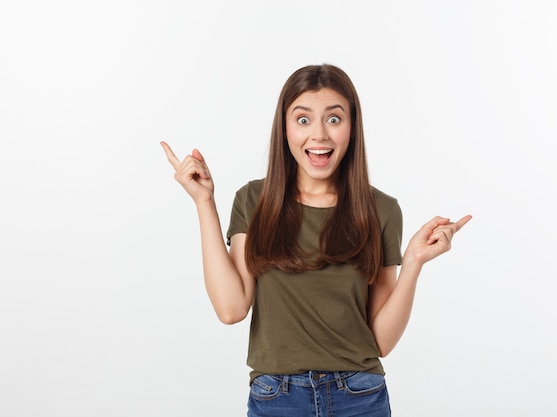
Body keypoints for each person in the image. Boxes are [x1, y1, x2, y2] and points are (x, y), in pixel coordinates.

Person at [161, 64, 471, 417]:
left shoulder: (381, 210)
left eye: (334, 119)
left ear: (352, 128)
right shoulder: (254, 201)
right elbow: (231, 309)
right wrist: (204, 203)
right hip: (277, 398)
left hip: (360, 396)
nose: (319, 135)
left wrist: (413, 262)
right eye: (303, 119)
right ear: (284, 128)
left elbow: (381, 342)